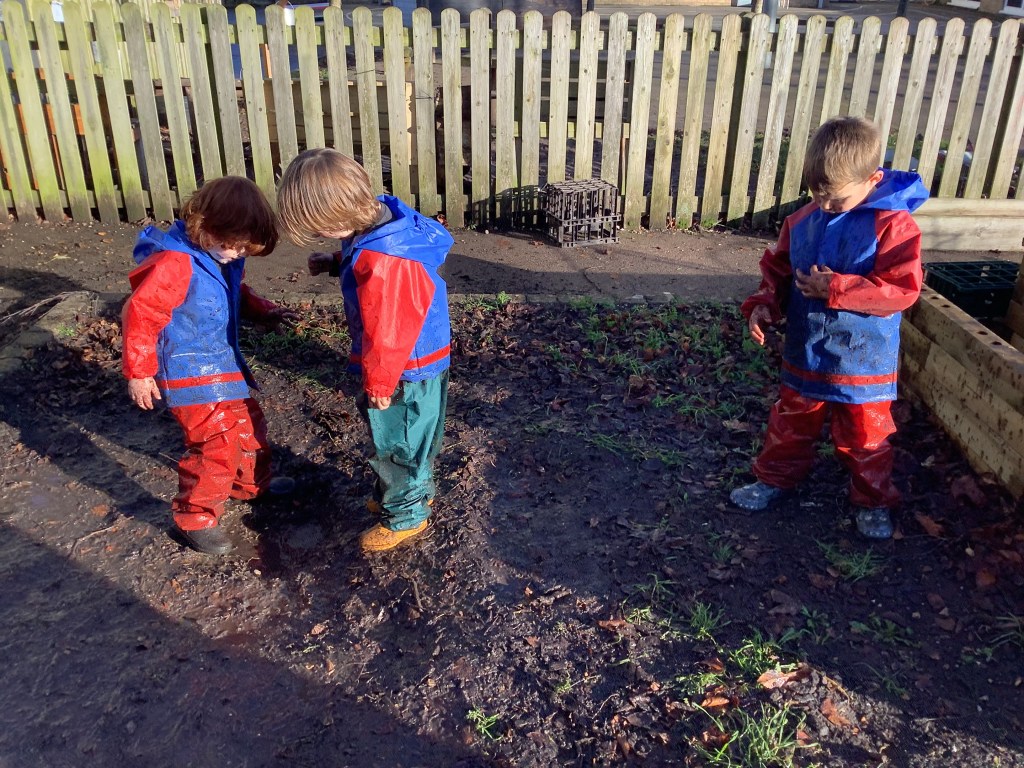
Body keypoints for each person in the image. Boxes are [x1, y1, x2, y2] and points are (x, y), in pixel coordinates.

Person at [730, 116, 929, 540]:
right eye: (816, 195)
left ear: (873, 180)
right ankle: (774, 479)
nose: (824, 206)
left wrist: (837, 288)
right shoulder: (802, 221)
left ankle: (872, 500)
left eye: (835, 198)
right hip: (807, 349)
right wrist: (765, 304)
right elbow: (779, 270)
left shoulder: (893, 226)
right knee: (791, 420)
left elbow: (902, 290)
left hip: (862, 356)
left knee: (865, 433)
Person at [276, 148, 453, 553]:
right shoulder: (387, 220)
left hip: (402, 366)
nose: (322, 236)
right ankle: (412, 493)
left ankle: (405, 516)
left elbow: (388, 332)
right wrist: (336, 261)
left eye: (320, 230)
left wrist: (379, 384)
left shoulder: (383, 262)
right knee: (417, 433)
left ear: (338, 217)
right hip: (422, 353)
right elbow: (364, 248)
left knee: (397, 439)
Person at [122, 176, 298, 555]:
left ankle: (249, 485)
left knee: (248, 425)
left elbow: (234, 293)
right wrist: (139, 371)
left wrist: (263, 312)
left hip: (220, 363)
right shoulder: (175, 263)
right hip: (188, 370)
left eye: (244, 249)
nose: (237, 254)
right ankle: (195, 517)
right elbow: (142, 313)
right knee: (216, 441)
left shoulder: (218, 257)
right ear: (206, 226)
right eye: (233, 245)